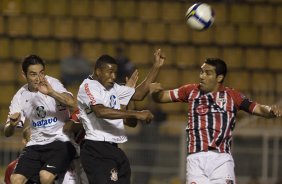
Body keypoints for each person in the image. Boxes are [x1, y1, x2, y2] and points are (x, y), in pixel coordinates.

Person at [150, 58, 282, 184]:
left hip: (221, 159)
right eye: (202, 72)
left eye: (208, 73)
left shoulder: (232, 96)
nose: (202, 76)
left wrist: (270, 110)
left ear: (219, 77)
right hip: (195, 159)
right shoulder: (190, 91)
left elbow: (257, 108)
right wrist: (156, 92)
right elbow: (161, 97)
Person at [77, 49, 165, 184]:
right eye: (110, 72)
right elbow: (100, 111)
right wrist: (137, 114)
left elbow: (140, 94)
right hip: (96, 149)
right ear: (98, 71)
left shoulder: (114, 88)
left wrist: (156, 67)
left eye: (115, 73)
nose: (113, 76)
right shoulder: (89, 86)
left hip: (114, 149)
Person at [4, 55, 77, 184]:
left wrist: (51, 93)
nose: (38, 78)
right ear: (24, 75)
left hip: (60, 141)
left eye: (41, 73)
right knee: (15, 179)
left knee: (45, 176)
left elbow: (72, 104)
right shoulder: (20, 95)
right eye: (33, 74)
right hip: (36, 144)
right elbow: (7, 133)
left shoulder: (53, 84)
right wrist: (12, 125)